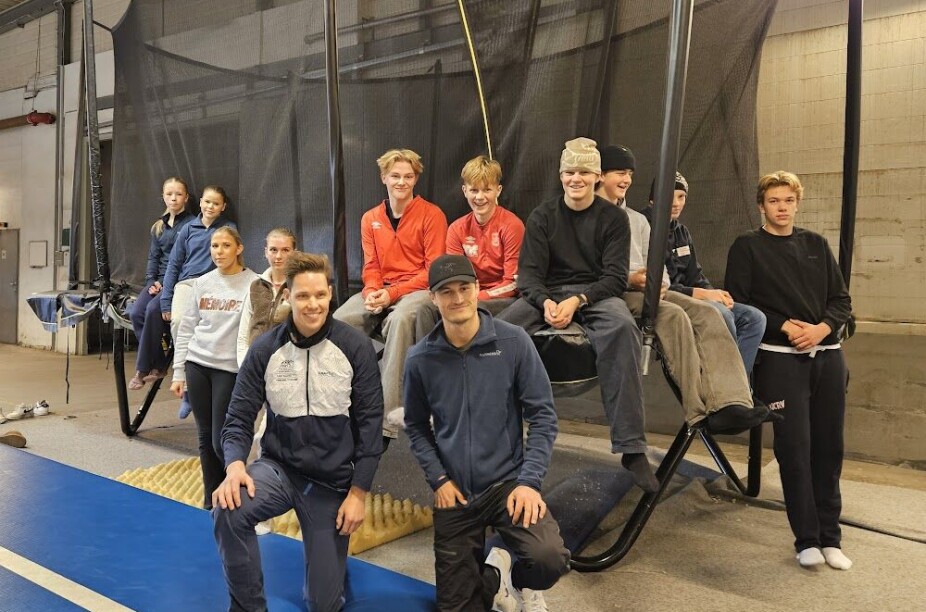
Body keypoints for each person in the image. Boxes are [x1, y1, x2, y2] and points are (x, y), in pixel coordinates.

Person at [213, 252, 384, 612]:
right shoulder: (265, 350)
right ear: (288, 296)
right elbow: (238, 417)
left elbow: (371, 426)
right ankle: (247, 608)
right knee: (229, 508)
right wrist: (235, 467)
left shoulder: (355, 348)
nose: (313, 305)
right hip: (278, 470)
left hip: (331, 483)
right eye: (303, 296)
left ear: (331, 294)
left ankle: (332, 570)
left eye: (320, 295)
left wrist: (359, 493)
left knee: (323, 604)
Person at [405, 254, 569, 612]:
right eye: (446, 291)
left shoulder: (514, 343)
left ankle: (522, 582)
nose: (457, 298)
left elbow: (543, 416)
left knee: (549, 557)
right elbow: (416, 426)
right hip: (455, 495)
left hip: (507, 485)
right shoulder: (420, 359)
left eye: (465, 288)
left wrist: (530, 482)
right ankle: (494, 576)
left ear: (478, 289)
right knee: (456, 607)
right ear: (433, 298)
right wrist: (438, 479)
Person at [497, 137, 658, 492]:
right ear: (560, 174)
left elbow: (615, 278)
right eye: (570, 171)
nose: (576, 178)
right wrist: (543, 302)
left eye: (584, 171)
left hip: (595, 294)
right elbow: (529, 276)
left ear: (597, 175)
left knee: (623, 328)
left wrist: (579, 300)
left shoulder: (614, 218)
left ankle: (631, 448)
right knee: (497, 334)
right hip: (549, 294)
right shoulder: (543, 216)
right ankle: (494, 435)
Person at [725, 171, 853, 570]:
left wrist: (821, 328)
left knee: (829, 448)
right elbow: (740, 303)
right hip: (780, 360)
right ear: (761, 205)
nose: (782, 208)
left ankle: (831, 537)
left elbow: (841, 300)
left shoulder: (815, 244)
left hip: (828, 356)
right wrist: (784, 325)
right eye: (774, 201)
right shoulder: (747, 246)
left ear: (797, 203)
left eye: (788, 200)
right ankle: (807, 539)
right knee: (794, 448)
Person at [596, 145, 770, 432]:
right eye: (619, 172)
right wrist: (632, 279)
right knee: (676, 316)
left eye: (629, 173)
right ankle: (698, 410)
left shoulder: (638, 221)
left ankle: (733, 402)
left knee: (710, 314)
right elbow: (595, 271)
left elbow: (660, 269)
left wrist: (659, 283)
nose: (626, 179)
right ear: (600, 176)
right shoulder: (589, 216)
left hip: (648, 290)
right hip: (616, 294)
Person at [333, 148, 447, 443]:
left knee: (402, 320)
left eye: (408, 176)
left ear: (416, 179)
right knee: (339, 321)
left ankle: (384, 421)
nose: (401, 182)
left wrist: (392, 293)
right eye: (395, 175)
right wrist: (372, 291)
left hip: (418, 290)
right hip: (382, 287)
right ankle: (335, 403)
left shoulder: (432, 215)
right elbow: (371, 265)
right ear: (384, 177)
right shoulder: (370, 217)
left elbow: (432, 270)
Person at [170, 226, 258, 509]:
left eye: (225, 246)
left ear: (239, 248)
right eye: (214, 246)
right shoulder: (202, 283)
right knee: (205, 436)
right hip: (198, 364)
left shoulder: (254, 284)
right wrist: (179, 371)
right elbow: (187, 328)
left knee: (224, 438)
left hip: (229, 370)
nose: (218, 252)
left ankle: (236, 493)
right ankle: (211, 500)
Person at [646, 173, 766, 374]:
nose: (676, 203)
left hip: (693, 297)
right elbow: (657, 284)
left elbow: (696, 275)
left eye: (681, 197)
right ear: (653, 198)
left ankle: (737, 385)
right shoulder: (644, 227)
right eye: (669, 196)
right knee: (721, 315)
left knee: (754, 318)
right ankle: (720, 383)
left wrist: (716, 294)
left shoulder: (682, 231)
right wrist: (704, 295)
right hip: (666, 300)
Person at [414, 155, 524, 340]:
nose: (479, 197)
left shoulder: (512, 225)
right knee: (425, 307)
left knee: (472, 310)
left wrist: (479, 296)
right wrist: (461, 296)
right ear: (464, 191)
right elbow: (453, 276)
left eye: (487, 190)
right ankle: (428, 361)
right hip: (467, 293)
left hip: (501, 298)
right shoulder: (457, 228)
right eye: (474, 190)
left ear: (498, 190)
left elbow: (513, 283)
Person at [235, 227, 298, 536]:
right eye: (274, 249)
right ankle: (244, 502)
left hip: (286, 374)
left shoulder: (299, 286)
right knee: (244, 437)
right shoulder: (255, 285)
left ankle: (268, 509)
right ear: (265, 251)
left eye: (285, 250)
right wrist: (244, 365)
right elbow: (244, 328)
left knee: (268, 439)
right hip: (253, 368)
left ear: (294, 252)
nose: (278, 255)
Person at [160, 184, 237, 418]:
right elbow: (174, 264)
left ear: (222, 207)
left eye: (216, 203)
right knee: (180, 322)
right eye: (207, 202)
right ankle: (187, 388)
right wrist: (166, 299)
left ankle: (208, 386)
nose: (210, 206)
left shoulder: (228, 229)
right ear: (200, 202)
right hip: (187, 284)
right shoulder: (188, 228)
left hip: (214, 284)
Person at [128, 177, 193, 390]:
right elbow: (153, 257)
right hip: (159, 280)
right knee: (137, 312)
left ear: (186, 198)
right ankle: (159, 362)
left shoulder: (191, 225)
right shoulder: (158, 226)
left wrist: (168, 285)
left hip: (176, 282)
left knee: (153, 311)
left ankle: (142, 368)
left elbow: (186, 261)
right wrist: (151, 282)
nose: (173, 198)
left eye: (178, 194)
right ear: (163, 197)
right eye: (169, 194)